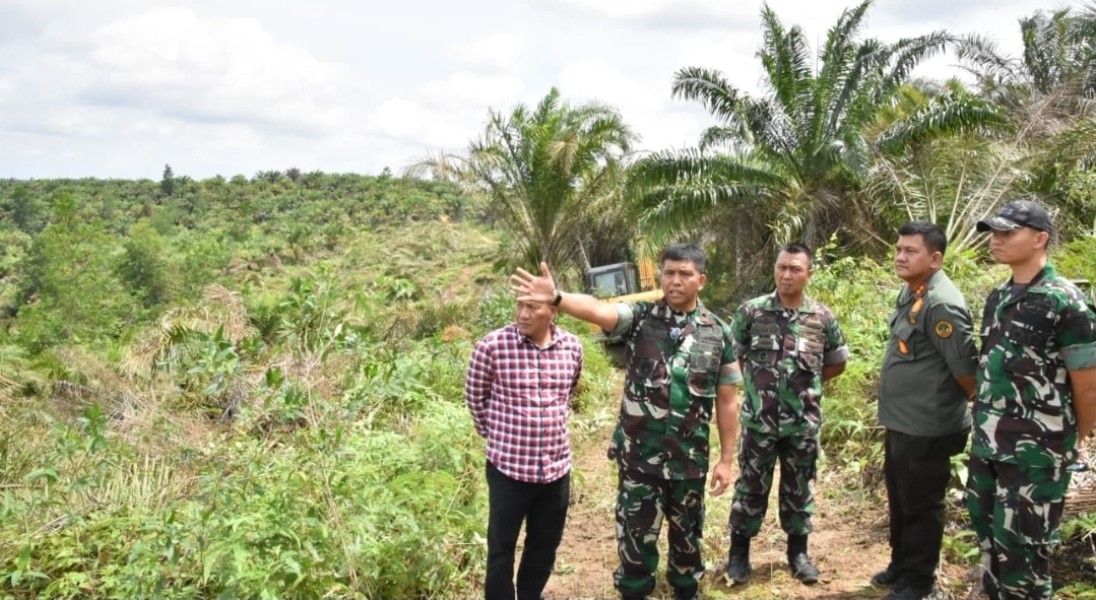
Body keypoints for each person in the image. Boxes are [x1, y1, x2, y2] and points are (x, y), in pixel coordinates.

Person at [511, 243, 741, 600]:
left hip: (688, 463)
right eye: (669, 273)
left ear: (702, 280)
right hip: (639, 462)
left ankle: (686, 591)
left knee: (687, 544)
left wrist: (727, 460)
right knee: (634, 544)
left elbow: (728, 401)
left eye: (685, 274)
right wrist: (557, 297)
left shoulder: (719, 333)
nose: (675, 280)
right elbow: (600, 312)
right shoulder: (640, 319)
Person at [968, 199, 1096, 600]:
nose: (997, 240)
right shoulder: (998, 296)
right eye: (995, 232)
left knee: (1026, 553)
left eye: (1008, 233)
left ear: (1040, 239)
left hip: (1037, 451)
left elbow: (1088, 381)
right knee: (989, 541)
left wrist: (1081, 437)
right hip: (989, 443)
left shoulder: (1066, 301)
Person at [725, 242, 848, 586]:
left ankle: (798, 554)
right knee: (750, 487)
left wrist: (803, 388)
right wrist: (750, 389)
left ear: (809, 273)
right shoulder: (751, 312)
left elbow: (836, 362)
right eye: (781, 267)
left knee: (799, 489)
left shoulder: (822, 317)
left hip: (802, 424)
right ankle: (738, 555)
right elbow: (733, 357)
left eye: (795, 268)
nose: (786, 274)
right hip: (757, 422)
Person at [874, 222, 978, 600]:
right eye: (898, 249)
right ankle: (902, 565)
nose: (900, 256)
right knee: (901, 499)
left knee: (921, 504)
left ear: (934, 259)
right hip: (902, 421)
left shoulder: (942, 302)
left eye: (910, 251)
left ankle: (919, 580)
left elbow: (967, 372)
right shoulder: (914, 291)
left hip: (929, 426)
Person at [465, 295, 585, 600]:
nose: (523, 313)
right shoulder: (492, 347)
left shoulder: (572, 347)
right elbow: (476, 399)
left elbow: (567, 394)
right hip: (508, 469)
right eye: (519, 305)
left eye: (532, 307)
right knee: (501, 547)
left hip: (556, 469)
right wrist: (499, 438)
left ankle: (531, 594)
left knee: (545, 544)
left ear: (553, 310)